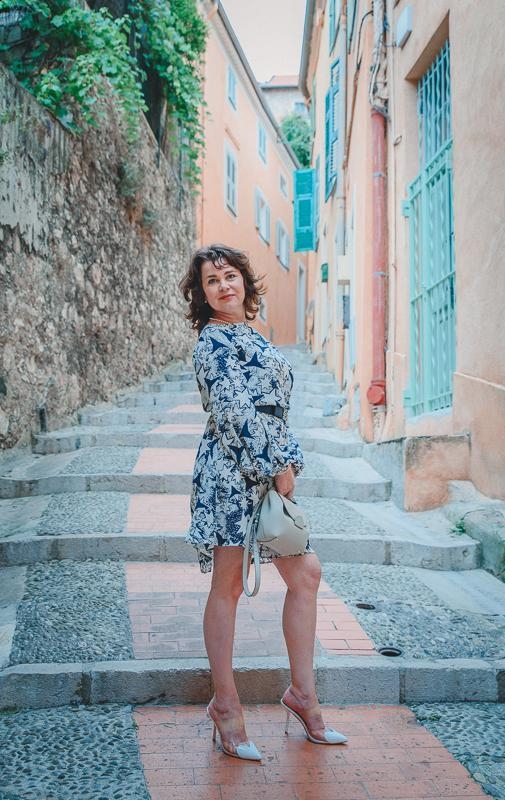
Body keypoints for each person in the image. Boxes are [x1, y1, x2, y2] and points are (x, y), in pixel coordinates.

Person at [179, 244, 347, 761]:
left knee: (306, 574)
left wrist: (284, 460)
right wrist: (277, 464)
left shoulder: (251, 335)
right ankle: (226, 707)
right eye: (211, 281)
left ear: (245, 282)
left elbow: (275, 410)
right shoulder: (212, 341)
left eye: (229, 276)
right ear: (203, 295)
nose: (223, 286)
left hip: (267, 470)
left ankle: (303, 696)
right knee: (227, 585)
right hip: (231, 472)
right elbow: (233, 411)